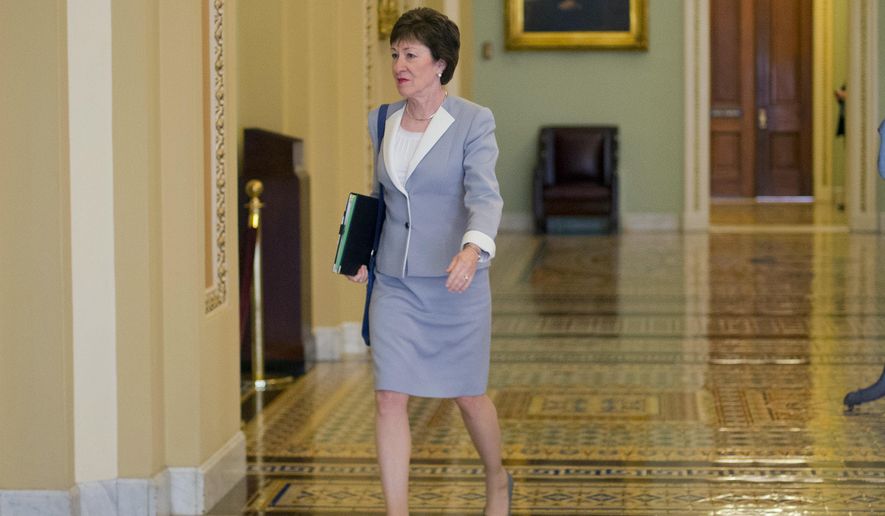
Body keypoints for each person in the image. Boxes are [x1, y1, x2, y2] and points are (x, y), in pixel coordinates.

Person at [344, 7, 511, 515]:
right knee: (389, 396)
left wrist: (472, 247)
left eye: (410, 54)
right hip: (394, 282)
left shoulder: (473, 122)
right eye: (395, 54)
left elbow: (485, 196)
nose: (399, 63)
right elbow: (379, 197)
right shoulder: (381, 119)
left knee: (467, 396)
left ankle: (496, 476)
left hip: (454, 280)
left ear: (439, 63)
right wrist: (360, 252)